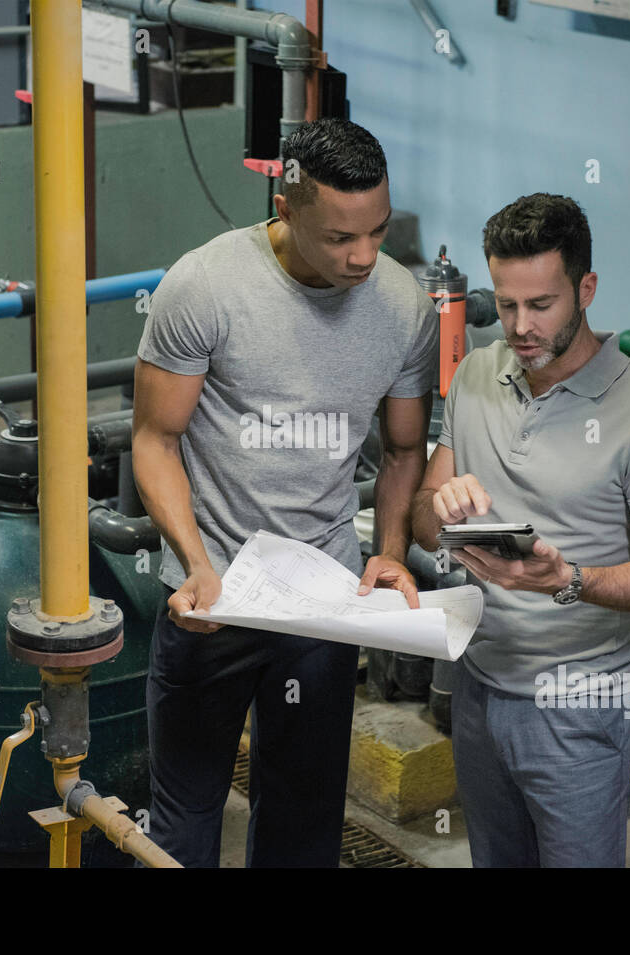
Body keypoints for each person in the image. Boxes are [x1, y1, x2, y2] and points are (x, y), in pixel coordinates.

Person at [132, 117, 438, 867]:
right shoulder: (204, 286)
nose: (364, 256)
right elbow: (154, 440)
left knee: (304, 830)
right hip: (214, 598)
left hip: (321, 605)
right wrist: (197, 562)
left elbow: (403, 451)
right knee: (183, 821)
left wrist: (391, 553)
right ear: (286, 204)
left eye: (377, 231)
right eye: (340, 237)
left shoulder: (405, 308)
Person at [410, 193, 630, 867]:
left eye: (541, 305)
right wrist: (440, 505)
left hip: (581, 707)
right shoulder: (477, 375)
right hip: (480, 690)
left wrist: (569, 579)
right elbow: (423, 517)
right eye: (506, 304)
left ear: (586, 289)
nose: (520, 325)